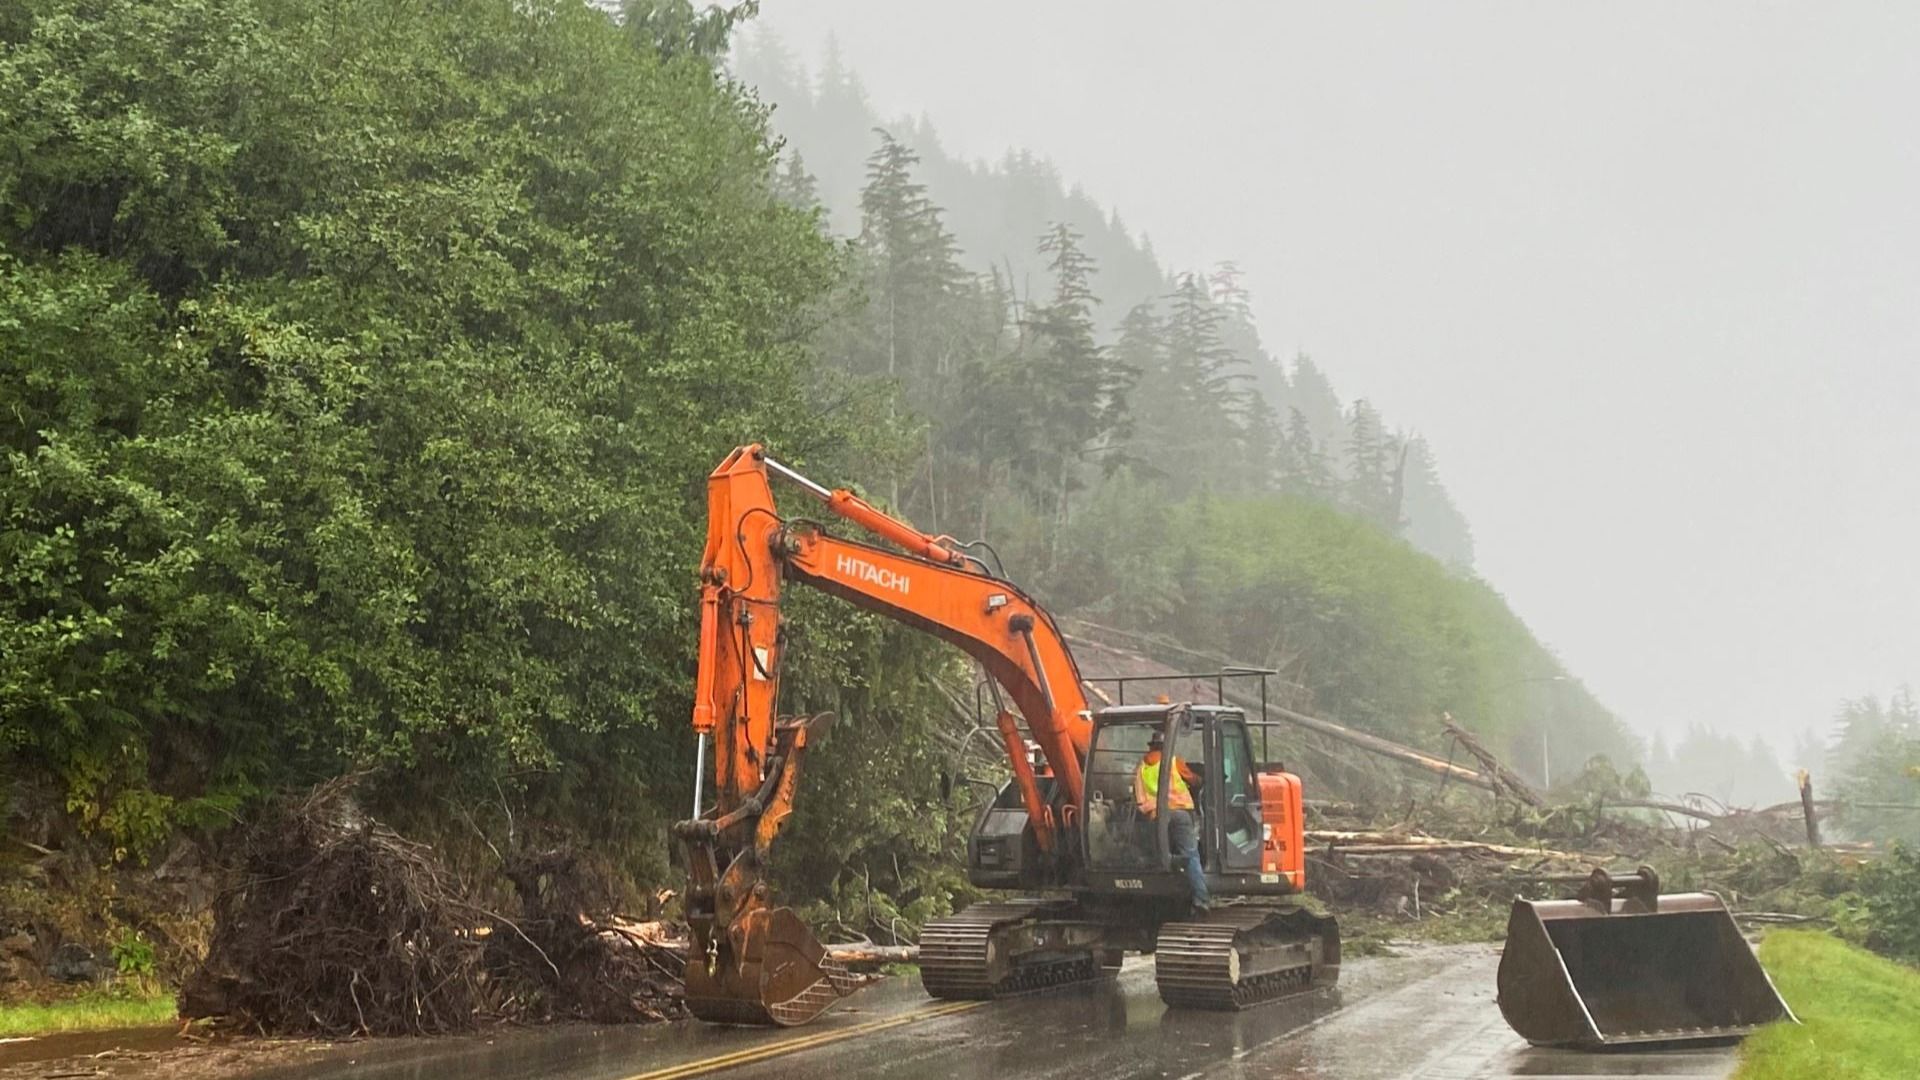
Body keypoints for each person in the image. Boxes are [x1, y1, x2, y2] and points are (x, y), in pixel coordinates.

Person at [1134, 730, 1211, 911]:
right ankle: (1201, 898)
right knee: (1190, 854)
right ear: (1166, 745)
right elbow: (1193, 780)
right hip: (1179, 813)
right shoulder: (1174, 761)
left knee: (1160, 855)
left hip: (1155, 816)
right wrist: (1201, 779)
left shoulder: (1142, 767)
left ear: (1151, 746)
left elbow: (1138, 797)